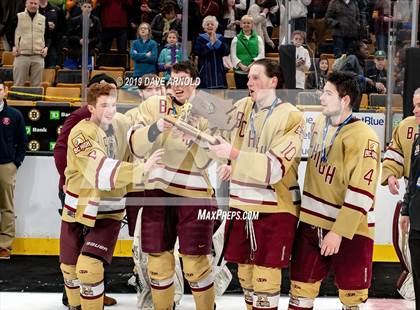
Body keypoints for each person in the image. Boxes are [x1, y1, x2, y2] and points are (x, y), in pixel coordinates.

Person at [207, 58, 304, 310]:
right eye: (248, 77)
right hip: (242, 204)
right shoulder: (241, 107)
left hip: (276, 207)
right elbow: (221, 143)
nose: (249, 82)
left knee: (265, 278)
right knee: (246, 276)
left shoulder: (291, 116)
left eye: (256, 77)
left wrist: (236, 157)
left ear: (273, 81)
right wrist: (201, 139)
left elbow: (274, 169)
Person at [59, 81, 164, 310]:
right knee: (69, 268)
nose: (110, 109)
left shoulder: (121, 122)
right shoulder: (81, 133)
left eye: (114, 104)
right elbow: (100, 170)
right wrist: (140, 169)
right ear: (91, 108)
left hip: (109, 210)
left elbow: (141, 125)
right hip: (78, 208)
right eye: (104, 105)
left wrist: (159, 125)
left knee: (89, 267)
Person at [288, 71, 381, 310]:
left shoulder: (365, 138)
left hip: (350, 230)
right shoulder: (320, 122)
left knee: (352, 299)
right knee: (299, 292)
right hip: (311, 224)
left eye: (328, 93)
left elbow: (362, 191)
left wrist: (338, 232)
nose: (321, 98)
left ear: (345, 99)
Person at [128, 60, 216, 310]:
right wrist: (155, 129)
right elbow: (134, 143)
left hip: (195, 195)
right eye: (173, 80)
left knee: (195, 263)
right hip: (157, 192)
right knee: (157, 261)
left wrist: (194, 139)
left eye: (183, 81)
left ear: (195, 82)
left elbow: (213, 156)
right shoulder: (154, 105)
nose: (177, 86)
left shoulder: (211, 108)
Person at [54, 74, 119, 307]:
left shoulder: (114, 120)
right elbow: (61, 149)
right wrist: (65, 178)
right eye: (105, 90)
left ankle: (95, 293)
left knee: (92, 253)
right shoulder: (81, 117)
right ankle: (71, 297)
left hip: (101, 194)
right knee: (74, 249)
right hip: (76, 191)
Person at [0, 80, 27, 259]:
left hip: (6, 166)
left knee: (6, 207)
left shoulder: (14, 115)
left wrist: (15, 162)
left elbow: (23, 141)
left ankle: (4, 246)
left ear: (5, 91)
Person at [400, 88, 420, 310]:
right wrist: (406, 210)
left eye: (419, 105)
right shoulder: (417, 141)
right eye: (414, 105)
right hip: (417, 220)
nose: (415, 110)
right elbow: (413, 178)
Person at [12, 0, 50, 86]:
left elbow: (48, 36)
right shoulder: (18, 17)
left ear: (38, 5)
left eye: (35, 3)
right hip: (21, 55)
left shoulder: (43, 19)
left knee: (36, 86)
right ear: (26, 4)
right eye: (31, 3)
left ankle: (35, 99)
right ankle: (17, 100)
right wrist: (13, 46)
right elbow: (9, 32)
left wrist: (46, 48)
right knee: (18, 84)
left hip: (38, 56)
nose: (33, 5)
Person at [63, 0, 101, 70]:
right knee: (67, 71)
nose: (87, 9)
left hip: (89, 50)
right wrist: (79, 40)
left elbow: (98, 37)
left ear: (92, 8)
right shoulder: (74, 20)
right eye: (85, 6)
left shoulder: (96, 20)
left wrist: (89, 41)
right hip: (74, 50)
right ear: (81, 8)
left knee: (87, 73)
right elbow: (69, 36)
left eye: (89, 7)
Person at [193, 15, 228, 89]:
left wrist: (216, 41)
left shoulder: (220, 38)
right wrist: (210, 44)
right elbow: (199, 51)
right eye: (207, 24)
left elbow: (225, 51)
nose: (210, 26)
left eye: (212, 24)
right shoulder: (200, 38)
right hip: (205, 69)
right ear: (204, 27)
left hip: (218, 69)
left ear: (215, 27)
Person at [230, 15, 265, 89]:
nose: (246, 24)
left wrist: (251, 65)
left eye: (248, 23)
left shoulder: (258, 38)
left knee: (254, 94)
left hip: (254, 72)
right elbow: (233, 55)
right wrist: (241, 66)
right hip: (239, 72)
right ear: (241, 24)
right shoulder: (236, 39)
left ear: (252, 25)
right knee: (241, 95)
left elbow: (261, 54)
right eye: (244, 23)